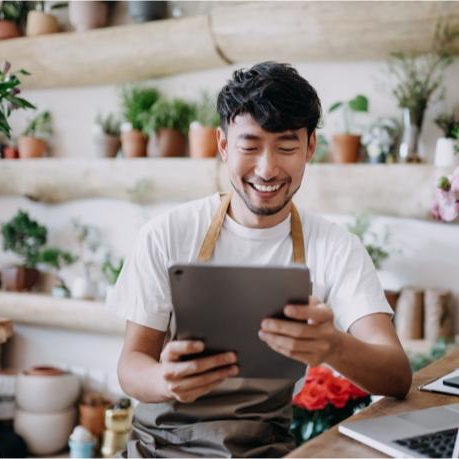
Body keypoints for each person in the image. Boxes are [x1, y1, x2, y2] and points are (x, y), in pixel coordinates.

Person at [108, 61, 412, 457]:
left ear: (310, 147)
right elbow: (131, 363)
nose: (267, 168)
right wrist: (166, 380)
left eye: (286, 147)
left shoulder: (337, 248)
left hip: (264, 450)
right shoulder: (167, 233)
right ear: (222, 146)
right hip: (159, 449)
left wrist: (333, 346)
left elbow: (397, 374)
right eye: (249, 146)